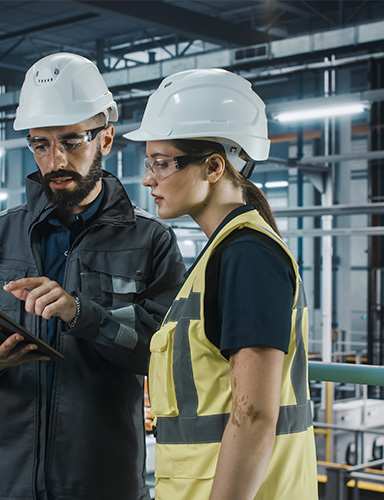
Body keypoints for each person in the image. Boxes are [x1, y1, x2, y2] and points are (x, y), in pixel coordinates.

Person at [0, 52, 185, 500]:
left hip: (100, 481)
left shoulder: (152, 242)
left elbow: (165, 354)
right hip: (2, 482)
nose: (55, 161)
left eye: (72, 141)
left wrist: (82, 314)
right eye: (40, 144)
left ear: (106, 138)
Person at [124, 68, 318, 500]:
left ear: (214, 167)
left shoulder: (247, 256)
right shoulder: (223, 253)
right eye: (148, 162)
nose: (148, 178)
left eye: (161, 162)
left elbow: (253, 415)